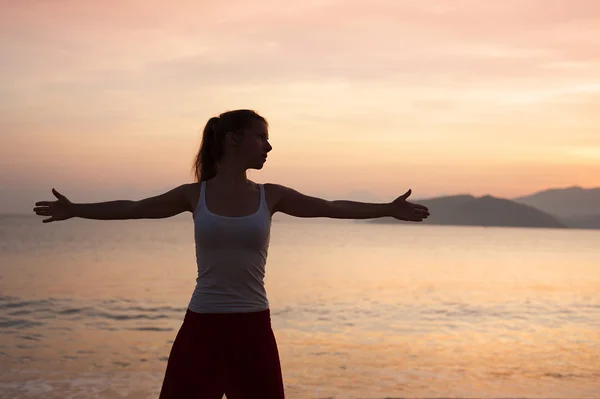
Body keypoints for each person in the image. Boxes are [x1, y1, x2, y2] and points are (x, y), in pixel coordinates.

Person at [33, 109, 430, 399]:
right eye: (261, 136)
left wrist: (387, 209)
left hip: (253, 327)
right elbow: (134, 207)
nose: (269, 146)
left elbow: (332, 206)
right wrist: (76, 209)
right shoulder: (195, 195)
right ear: (233, 139)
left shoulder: (269, 195)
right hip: (201, 326)